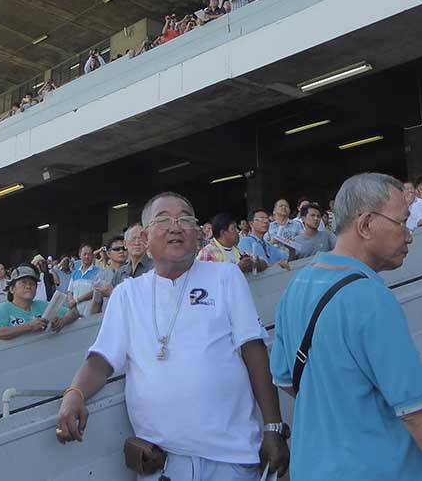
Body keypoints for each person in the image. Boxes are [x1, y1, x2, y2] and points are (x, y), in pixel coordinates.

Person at [55, 192, 288, 479]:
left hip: (232, 459)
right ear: (145, 235)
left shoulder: (226, 277)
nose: (175, 226)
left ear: (197, 232)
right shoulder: (128, 294)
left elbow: (254, 351)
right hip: (162, 465)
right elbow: (101, 359)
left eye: (184, 219)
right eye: (163, 220)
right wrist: (74, 394)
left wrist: (273, 426)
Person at [272, 174, 422, 481]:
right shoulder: (369, 296)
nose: (408, 235)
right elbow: (418, 413)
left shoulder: (298, 285)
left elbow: (284, 377)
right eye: (401, 222)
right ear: (366, 224)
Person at [0, 265, 81, 341]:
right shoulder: (4, 308)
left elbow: (74, 312)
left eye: (32, 283)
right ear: (11, 289)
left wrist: (62, 321)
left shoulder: (41, 305)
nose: (28, 286)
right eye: (23, 282)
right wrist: (28, 326)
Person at [68, 245, 107, 316]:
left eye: (89, 254)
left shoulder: (99, 272)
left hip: (89, 315)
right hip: (74, 315)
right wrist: (71, 302)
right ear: (80, 255)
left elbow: (96, 292)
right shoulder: (75, 273)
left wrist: (77, 300)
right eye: (84, 254)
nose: (87, 256)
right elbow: (70, 291)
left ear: (92, 256)